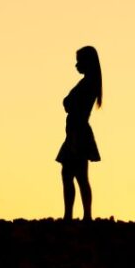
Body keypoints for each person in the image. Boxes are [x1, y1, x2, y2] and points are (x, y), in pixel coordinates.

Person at [56, 46, 102, 221]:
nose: (76, 65)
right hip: (77, 131)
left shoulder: (87, 84)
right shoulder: (88, 83)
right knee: (78, 175)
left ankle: (74, 215)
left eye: (79, 61)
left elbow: (71, 105)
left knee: (71, 174)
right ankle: (84, 215)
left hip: (78, 132)